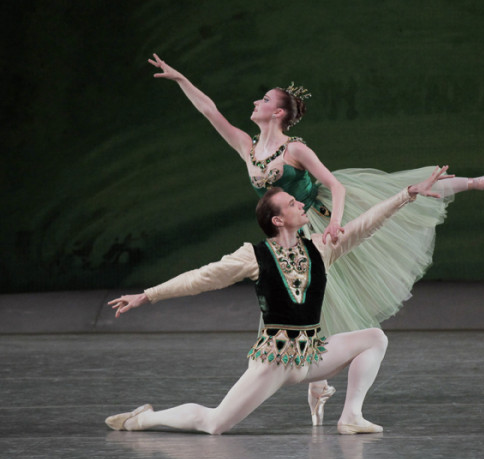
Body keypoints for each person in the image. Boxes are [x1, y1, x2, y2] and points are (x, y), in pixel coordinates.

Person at [147, 54, 484, 424]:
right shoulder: (247, 147)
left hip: (319, 216)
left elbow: (335, 185)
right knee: (313, 299)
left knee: (395, 195)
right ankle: (318, 384)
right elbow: (210, 111)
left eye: (263, 100)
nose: (255, 102)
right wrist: (182, 80)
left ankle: (475, 181)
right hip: (292, 228)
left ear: (277, 113)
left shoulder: (294, 149)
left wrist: (335, 224)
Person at [105, 167, 450, 435]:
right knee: (214, 424)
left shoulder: (320, 247)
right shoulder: (253, 256)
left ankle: (351, 416)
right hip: (275, 360)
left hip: (311, 356)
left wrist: (407, 194)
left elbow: (364, 226)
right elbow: (200, 278)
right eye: (292, 203)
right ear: (278, 220)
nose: (302, 204)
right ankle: (144, 420)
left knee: (374, 338)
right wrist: (147, 295)